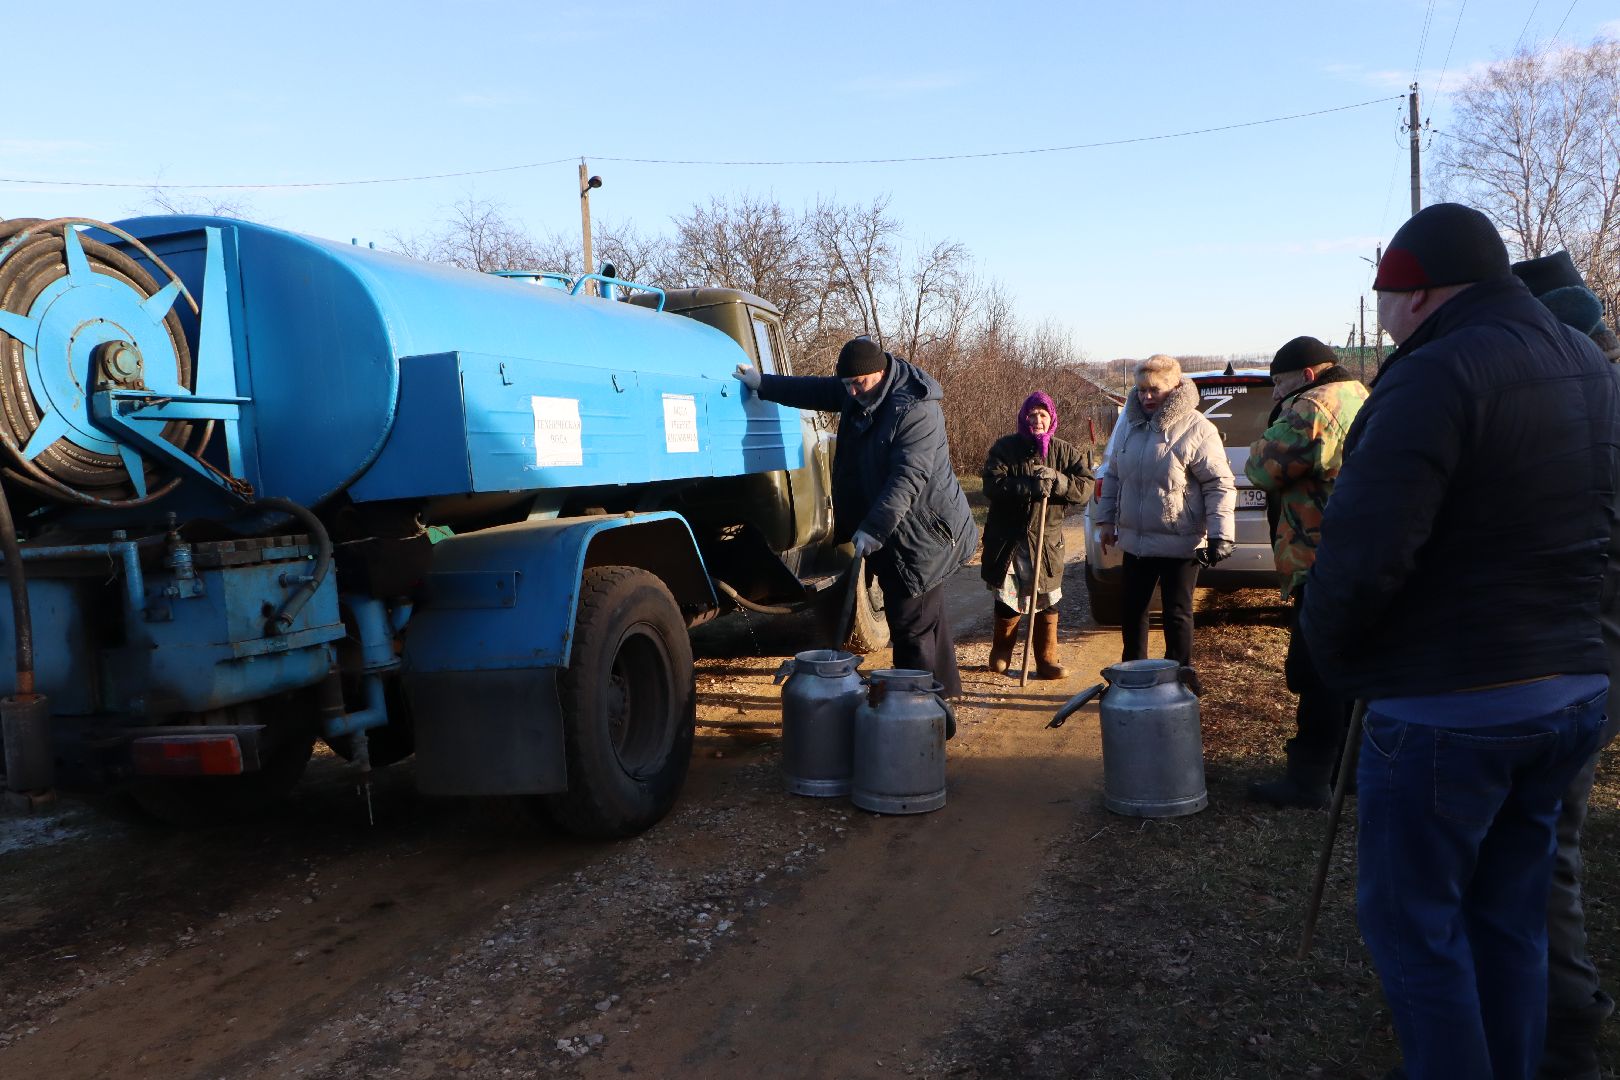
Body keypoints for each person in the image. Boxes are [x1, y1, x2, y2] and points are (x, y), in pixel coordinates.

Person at [1301, 204, 1620, 1080]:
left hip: (1452, 704)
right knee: (1508, 921)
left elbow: (1364, 554)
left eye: (1388, 300)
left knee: (1418, 932)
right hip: (1568, 692)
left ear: (1423, 292)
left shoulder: (1435, 374)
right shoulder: (1583, 363)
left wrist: (1329, 655)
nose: (1382, 320)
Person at [1512, 250, 1620, 1080]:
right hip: (1579, 657)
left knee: (1542, 850)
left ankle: (1563, 1034)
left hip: (1574, 660)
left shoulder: (1587, 414)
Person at [734, 337, 978, 697]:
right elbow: (816, 390)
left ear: (880, 373)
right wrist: (764, 383)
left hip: (922, 535)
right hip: (896, 529)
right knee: (928, 620)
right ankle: (943, 701)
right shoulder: (859, 391)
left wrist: (874, 529)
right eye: (846, 384)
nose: (850, 392)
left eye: (858, 383)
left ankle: (916, 717)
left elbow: (907, 477)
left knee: (911, 628)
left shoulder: (915, 409)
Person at [1243, 337, 1367, 809]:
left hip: (1319, 556)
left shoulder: (1314, 405)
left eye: (1279, 383)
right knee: (1353, 665)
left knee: (1315, 669)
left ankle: (1310, 778)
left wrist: (1272, 427)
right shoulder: (1363, 395)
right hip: (1361, 554)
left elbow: (1261, 468)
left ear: (1308, 375)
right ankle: (1348, 771)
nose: (1276, 394)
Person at [1093, 354, 1235, 689]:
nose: (1146, 397)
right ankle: (1132, 678)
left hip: (1180, 537)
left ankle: (1180, 680)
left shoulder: (1198, 428)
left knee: (1176, 614)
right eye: (1141, 390)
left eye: (1154, 390)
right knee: (1133, 611)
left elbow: (1219, 483)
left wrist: (1220, 534)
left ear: (1173, 388)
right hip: (1137, 540)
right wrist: (1106, 522)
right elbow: (1113, 475)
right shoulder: (1129, 425)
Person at [980, 392, 1094, 678]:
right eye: (1032, 415)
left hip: (1045, 543)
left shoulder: (1065, 452)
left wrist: (1058, 481)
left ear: (1051, 418)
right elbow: (992, 485)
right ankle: (1002, 652)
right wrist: (1029, 486)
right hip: (1009, 540)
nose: (1037, 420)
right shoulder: (1005, 448)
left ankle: (1046, 660)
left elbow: (1085, 488)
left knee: (1046, 599)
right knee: (1008, 598)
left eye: (1043, 415)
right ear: (1023, 419)